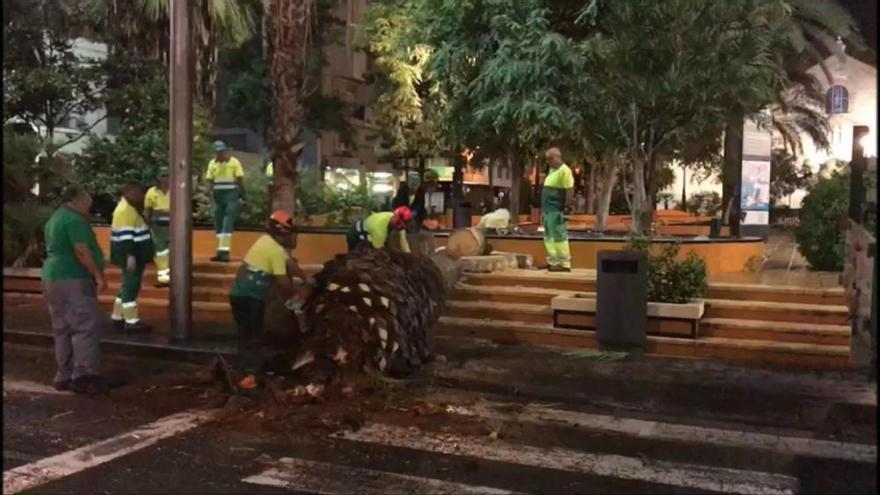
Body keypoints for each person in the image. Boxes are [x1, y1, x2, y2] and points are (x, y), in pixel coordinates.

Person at [228, 210, 304, 394]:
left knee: (246, 335)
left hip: (238, 295)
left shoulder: (264, 241)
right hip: (251, 298)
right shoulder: (275, 251)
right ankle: (249, 379)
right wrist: (300, 297)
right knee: (254, 337)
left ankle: (245, 372)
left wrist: (304, 278)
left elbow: (291, 264)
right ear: (284, 232)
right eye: (292, 233)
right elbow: (283, 283)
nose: (294, 237)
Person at [42, 187, 108, 395]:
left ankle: (64, 374)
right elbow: (82, 250)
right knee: (84, 326)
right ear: (78, 201)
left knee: (62, 327)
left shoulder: (55, 218)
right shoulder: (75, 220)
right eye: (88, 202)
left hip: (52, 277)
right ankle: (83, 375)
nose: (90, 206)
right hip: (73, 277)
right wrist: (97, 275)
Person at [110, 182, 154, 332]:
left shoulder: (129, 209)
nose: (142, 196)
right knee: (131, 286)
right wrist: (130, 256)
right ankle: (131, 321)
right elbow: (126, 236)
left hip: (133, 255)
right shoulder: (125, 211)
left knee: (126, 286)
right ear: (129, 193)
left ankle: (118, 316)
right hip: (132, 255)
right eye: (139, 193)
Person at [206, 140, 245, 262]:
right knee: (218, 223)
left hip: (231, 195)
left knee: (227, 223)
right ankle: (219, 251)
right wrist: (209, 192)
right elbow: (209, 180)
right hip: (218, 196)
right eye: (218, 152)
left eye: (222, 151)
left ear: (226, 150)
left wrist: (242, 193)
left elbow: (240, 179)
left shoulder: (234, 162)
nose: (220, 154)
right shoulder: (212, 164)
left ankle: (225, 253)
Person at [542, 147, 574, 272]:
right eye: (547, 159)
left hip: (557, 210)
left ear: (557, 157)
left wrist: (566, 208)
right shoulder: (552, 170)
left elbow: (569, 190)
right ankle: (553, 261)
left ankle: (564, 264)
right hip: (549, 210)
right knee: (549, 236)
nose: (548, 162)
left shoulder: (564, 171)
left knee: (559, 236)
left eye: (550, 159)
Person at [346, 206, 417, 253]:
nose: (402, 228)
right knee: (357, 257)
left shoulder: (397, 222)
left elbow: (403, 242)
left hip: (369, 233)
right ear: (397, 221)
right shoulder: (379, 230)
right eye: (402, 226)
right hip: (355, 235)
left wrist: (409, 257)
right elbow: (379, 252)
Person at [144, 168, 171, 287]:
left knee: (175, 252)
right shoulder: (151, 192)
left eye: (167, 176)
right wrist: (146, 224)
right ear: (158, 179)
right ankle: (164, 279)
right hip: (158, 227)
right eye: (162, 176)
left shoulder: (176, 190)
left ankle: (177, 278)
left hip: (173, 227)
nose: (165, 179)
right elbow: (147, 210)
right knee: (161, 252)